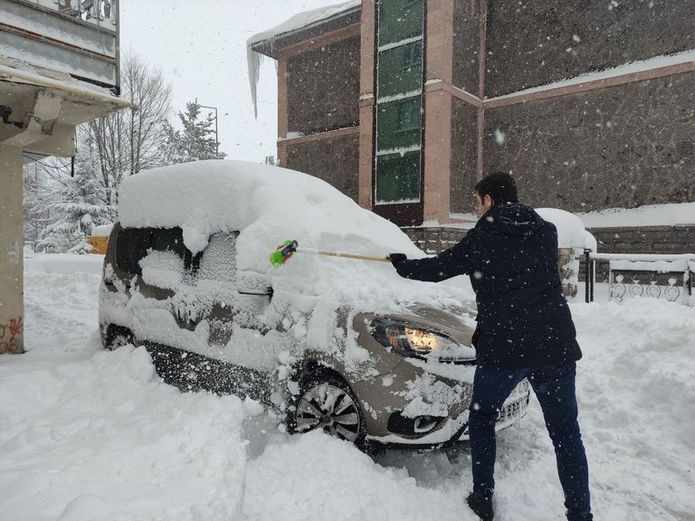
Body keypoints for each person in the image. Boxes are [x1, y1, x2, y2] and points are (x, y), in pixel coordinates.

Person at [388, 172, 592, 521]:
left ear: (490, 201)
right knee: (566, 433)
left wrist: (402, 266)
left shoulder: (482, 237)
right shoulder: (546, 232)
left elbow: (439, 268)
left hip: (505, 350)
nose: (476, 208)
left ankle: (483, 496)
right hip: (554, 345)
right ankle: (580, 515)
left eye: (477, 201)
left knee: (482, 417)